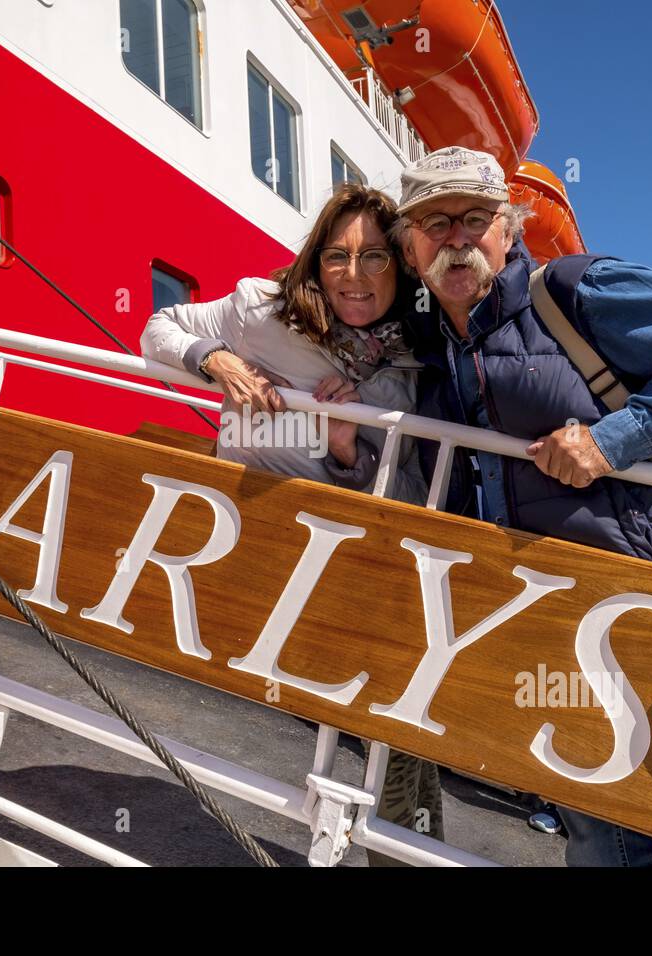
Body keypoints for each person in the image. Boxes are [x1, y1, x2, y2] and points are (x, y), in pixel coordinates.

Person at [391, 146, 652, 867]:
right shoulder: (437, 346)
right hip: (549, 621)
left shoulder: (576, 290)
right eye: (433, 222)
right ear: (411, 247)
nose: (455, 237)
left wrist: (614, 440)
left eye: (474, 219)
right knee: (597, 834)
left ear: (507, 230)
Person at [141, 183, 442, 863]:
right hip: (257, 541)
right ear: (316, 259)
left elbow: (394, 477)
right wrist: (213, 360)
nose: (354, 276)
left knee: (388, 732)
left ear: (400, 265)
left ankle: (400, 852)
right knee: (348, 722)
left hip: (363, 560)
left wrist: (342, 443)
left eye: (374, 259)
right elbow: (160, 326)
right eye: (338, 255)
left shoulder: (407, 361)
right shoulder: (258, 308)